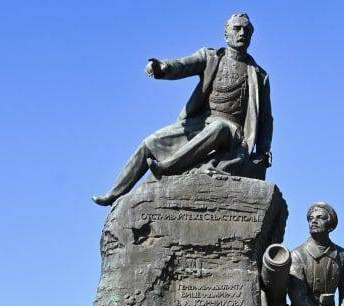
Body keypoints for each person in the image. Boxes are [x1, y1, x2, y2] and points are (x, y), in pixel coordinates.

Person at [93, 13, 272, 206]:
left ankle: (167, 167)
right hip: (201, 123)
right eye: (237, 28)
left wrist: (263, 151)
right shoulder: (211, 57)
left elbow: (265, 118)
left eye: (247, 30)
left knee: (219, 127)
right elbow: (183, 65)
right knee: (150, 143)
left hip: (232, 132)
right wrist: (162, 67)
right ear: (226, 34)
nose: (242, 33)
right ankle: (114, 193)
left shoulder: (258, 75)